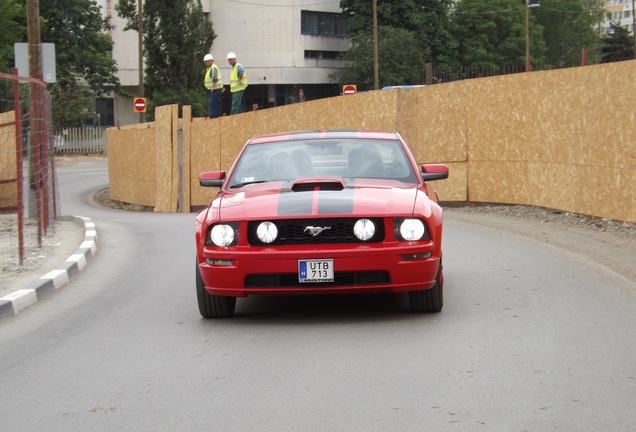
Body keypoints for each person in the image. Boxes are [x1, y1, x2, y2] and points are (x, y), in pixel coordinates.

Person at [203, 54, 223, 118]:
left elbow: (214, 78)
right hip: (215, 89)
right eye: (205, 61)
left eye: (208, 61)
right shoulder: (209, 68)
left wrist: (213, 87)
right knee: (215, 104)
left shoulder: (213, 68)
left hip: (215, 89)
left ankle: (213, 118)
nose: (206, 63)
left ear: (212, 61)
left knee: (213, 104)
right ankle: (216, 117)